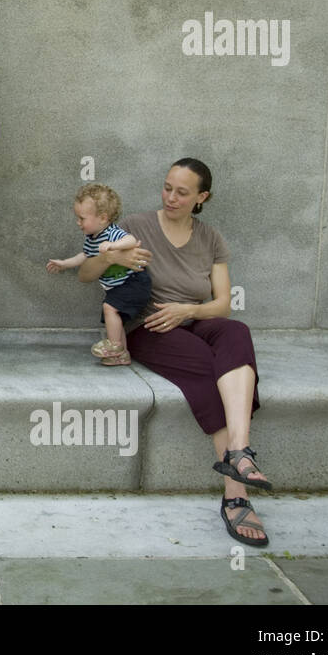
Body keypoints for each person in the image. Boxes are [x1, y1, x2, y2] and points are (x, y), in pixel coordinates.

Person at [79, 159, 270, 547]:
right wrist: (109, 258)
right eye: (167, 187)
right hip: (148, 325)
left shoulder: (211, 239)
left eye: (182, 192)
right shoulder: (135, 226)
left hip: (193, 318)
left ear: (202, 197)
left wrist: (189, 311)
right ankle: (237, 493)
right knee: (205, 368)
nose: (171, 197)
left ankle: (239, 450)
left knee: (236, 334)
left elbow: (222, 305)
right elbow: (86, 274)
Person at [47, 183, 152, 366]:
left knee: (109, 308)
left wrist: (114, 247)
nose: (78, 222)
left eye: (82, 218)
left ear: (103, 218)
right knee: (116, 317)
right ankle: (121, 355)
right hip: (118, 286)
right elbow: (83, 256)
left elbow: (131, 240)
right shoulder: (91, 239)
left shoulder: (111, 233)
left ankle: (114, 346)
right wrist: (64, 264)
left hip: (134, 281)